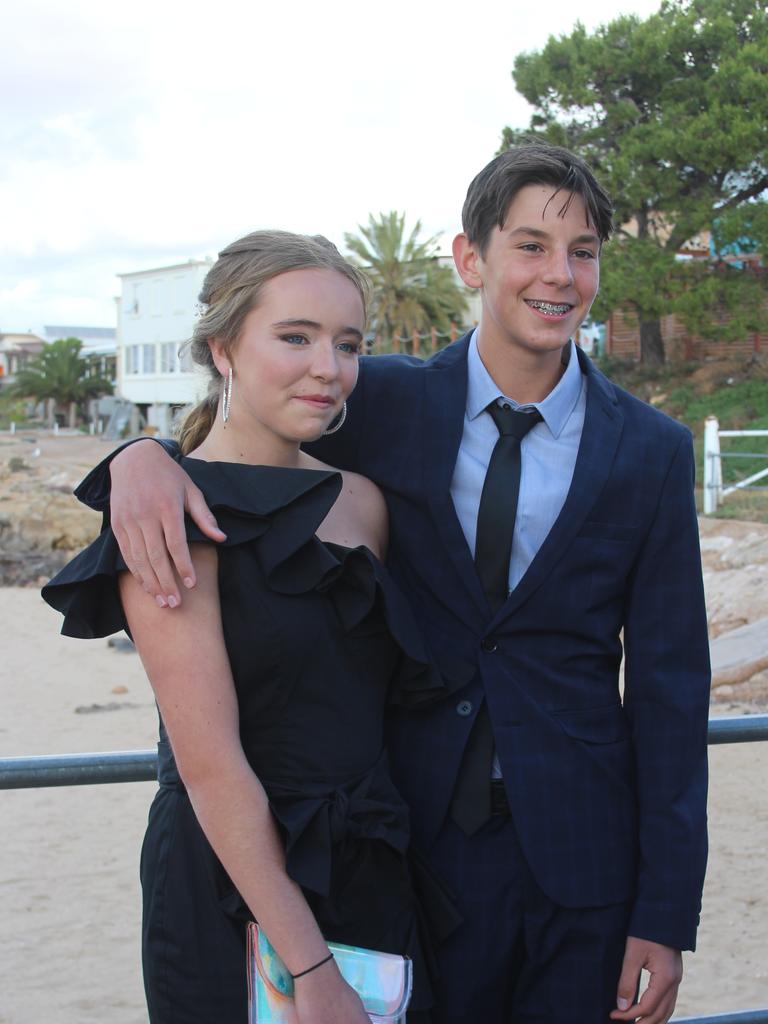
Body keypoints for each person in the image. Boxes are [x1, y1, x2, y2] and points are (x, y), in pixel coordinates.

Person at [75, 143, 711, 1024]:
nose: (558, 274)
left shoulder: (650, 450)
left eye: (583, 251)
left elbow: (674, 691)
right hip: (413, 850)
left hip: (583, 867)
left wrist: (665, 909)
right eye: (530, 245)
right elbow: (251, 438)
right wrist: (139, 458)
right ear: (470, 258)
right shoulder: (378, 400)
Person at [42, 231, 455, 1024]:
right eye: (294, 337)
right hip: (232, 886)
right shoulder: (169, 512)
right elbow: (212, 768)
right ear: (223, 348)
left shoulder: (362, 503)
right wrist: (310, 966)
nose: (328, 368)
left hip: (367, 864)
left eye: (347, 344)